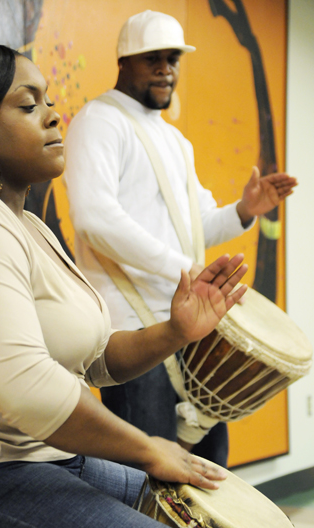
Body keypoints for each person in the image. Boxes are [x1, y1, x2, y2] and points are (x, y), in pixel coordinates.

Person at [0, 44, 298, 528]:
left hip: (43, 462)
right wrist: (147, 448)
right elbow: (26, 388)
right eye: (28, 105)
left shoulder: (28, 226)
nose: (53, 114)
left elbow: (94, 359)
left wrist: (175, 332)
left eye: (49, 99)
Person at [64, 10, 298, 467]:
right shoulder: (99, 121)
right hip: (135, 332)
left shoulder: (175, 141)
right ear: (123, 61)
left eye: (173, 58)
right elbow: (95, 218)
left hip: (187, 324)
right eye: (152, 58)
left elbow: (198, 229)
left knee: (209, 474)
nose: (165, 68)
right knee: (150, 481)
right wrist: (185, 270)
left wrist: (244, 210)